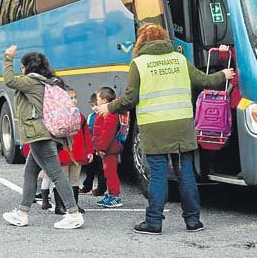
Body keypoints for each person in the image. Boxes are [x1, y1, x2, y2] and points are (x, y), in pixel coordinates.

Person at [97, 24, 234, 235]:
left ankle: (153, 222)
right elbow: (204, 81)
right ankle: (193, 221)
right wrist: (224, 74)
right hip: (181, 125)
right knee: (185, 173)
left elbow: (130, 99)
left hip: (154, 127)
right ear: (165, 39)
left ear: (141, 42)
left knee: (159, 174)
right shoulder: (179, 59)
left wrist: (109, 107)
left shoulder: (139, 63)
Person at [1, 45, 84, 229]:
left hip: (40, 135)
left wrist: (8, 57)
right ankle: (22, 213)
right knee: (30, 172)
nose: (21, 70)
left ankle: (74, 213)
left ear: (28, 67)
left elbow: (9, 80)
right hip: (46, 134)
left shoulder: (32, 81)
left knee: (55, 174)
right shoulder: (48, 82)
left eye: (22, 66)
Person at [92, 87, 123, 208]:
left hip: (108, 149)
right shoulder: (107, 112)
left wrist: (101, 148)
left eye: (98, 98)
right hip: (107, 149)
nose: (97, 101)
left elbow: (107, 133)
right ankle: (111, 194)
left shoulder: (109, 114)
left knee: (111, 174)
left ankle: (115, 196)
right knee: (108, 173)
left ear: (104, 101)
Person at [80, 93, 107, 195]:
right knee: (89, 169)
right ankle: (87, 186)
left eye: (97, 105)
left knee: (100, 170)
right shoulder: (91, 116)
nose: (95, 108)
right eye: (93, 105)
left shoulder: (104, 116)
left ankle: (101, 188)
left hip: (100, 148)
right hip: (91, 148)